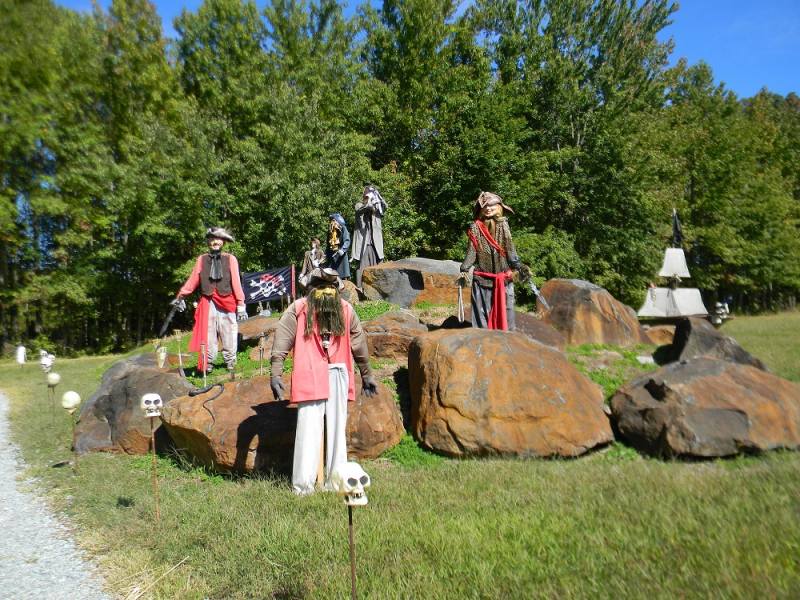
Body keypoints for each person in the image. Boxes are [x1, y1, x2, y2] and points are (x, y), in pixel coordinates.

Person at [269, 267, 378, 496]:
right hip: (310, 372)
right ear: (310, 290)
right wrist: (275, 373)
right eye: (321, 286)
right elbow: (283, 340)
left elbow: (358, 343)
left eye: (329, 286)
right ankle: (303, 487)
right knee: (309, 430)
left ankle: (336, 481)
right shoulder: (299, 309)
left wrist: (367, 374)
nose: (325, 291)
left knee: (337, 430)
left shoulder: (345, 310)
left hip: (337, 371)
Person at [174, 226, 247, 374]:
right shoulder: (202, 259)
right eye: (212, 239)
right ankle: (209, 362)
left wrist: (240, 304)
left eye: (218, 239)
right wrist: (182, 295)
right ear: (209, 241)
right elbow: (193, 280)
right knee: (208, 333)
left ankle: (230, 361)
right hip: (208, 301)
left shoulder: (230, 259)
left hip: (227, 299)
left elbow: (236, 283)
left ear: (223, 242)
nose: (215, 242)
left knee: (229, 331)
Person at [460, 191, 530, 332]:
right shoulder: (475, 228)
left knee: (506, 315)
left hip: (503, 280)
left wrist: (519, 266)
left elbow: (510, 249)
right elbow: (471, 252)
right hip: (482, 281)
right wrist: (464, 269)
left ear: (499, 207)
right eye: (485, 206)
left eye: (492, 205)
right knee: (482, 317)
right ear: (480, 210)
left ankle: (506, 345)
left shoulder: (503, 225)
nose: (488, 209)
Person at [351, 185, 387, 288]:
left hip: (376, 246)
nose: (368, 199)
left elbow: (385, 206)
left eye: (370, 197)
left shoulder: (377, 209)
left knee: (378, 270)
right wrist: (369, 205)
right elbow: (359, 210)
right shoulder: (359, 205)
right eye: (366, 197)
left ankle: (379, 292)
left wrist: (378, 196)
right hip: (363, 246)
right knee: (362, 270)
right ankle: (360, 291)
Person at [325, 214, 351, 280]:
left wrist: (343, 250)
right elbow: (328, 246)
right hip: (332, 259)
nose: (331, 223)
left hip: (341, 259)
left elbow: (347, 240)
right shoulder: (330, 232)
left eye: (333, 220)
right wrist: (325, 255)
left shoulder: (343, 229)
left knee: (342, 279)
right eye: (331, 221)